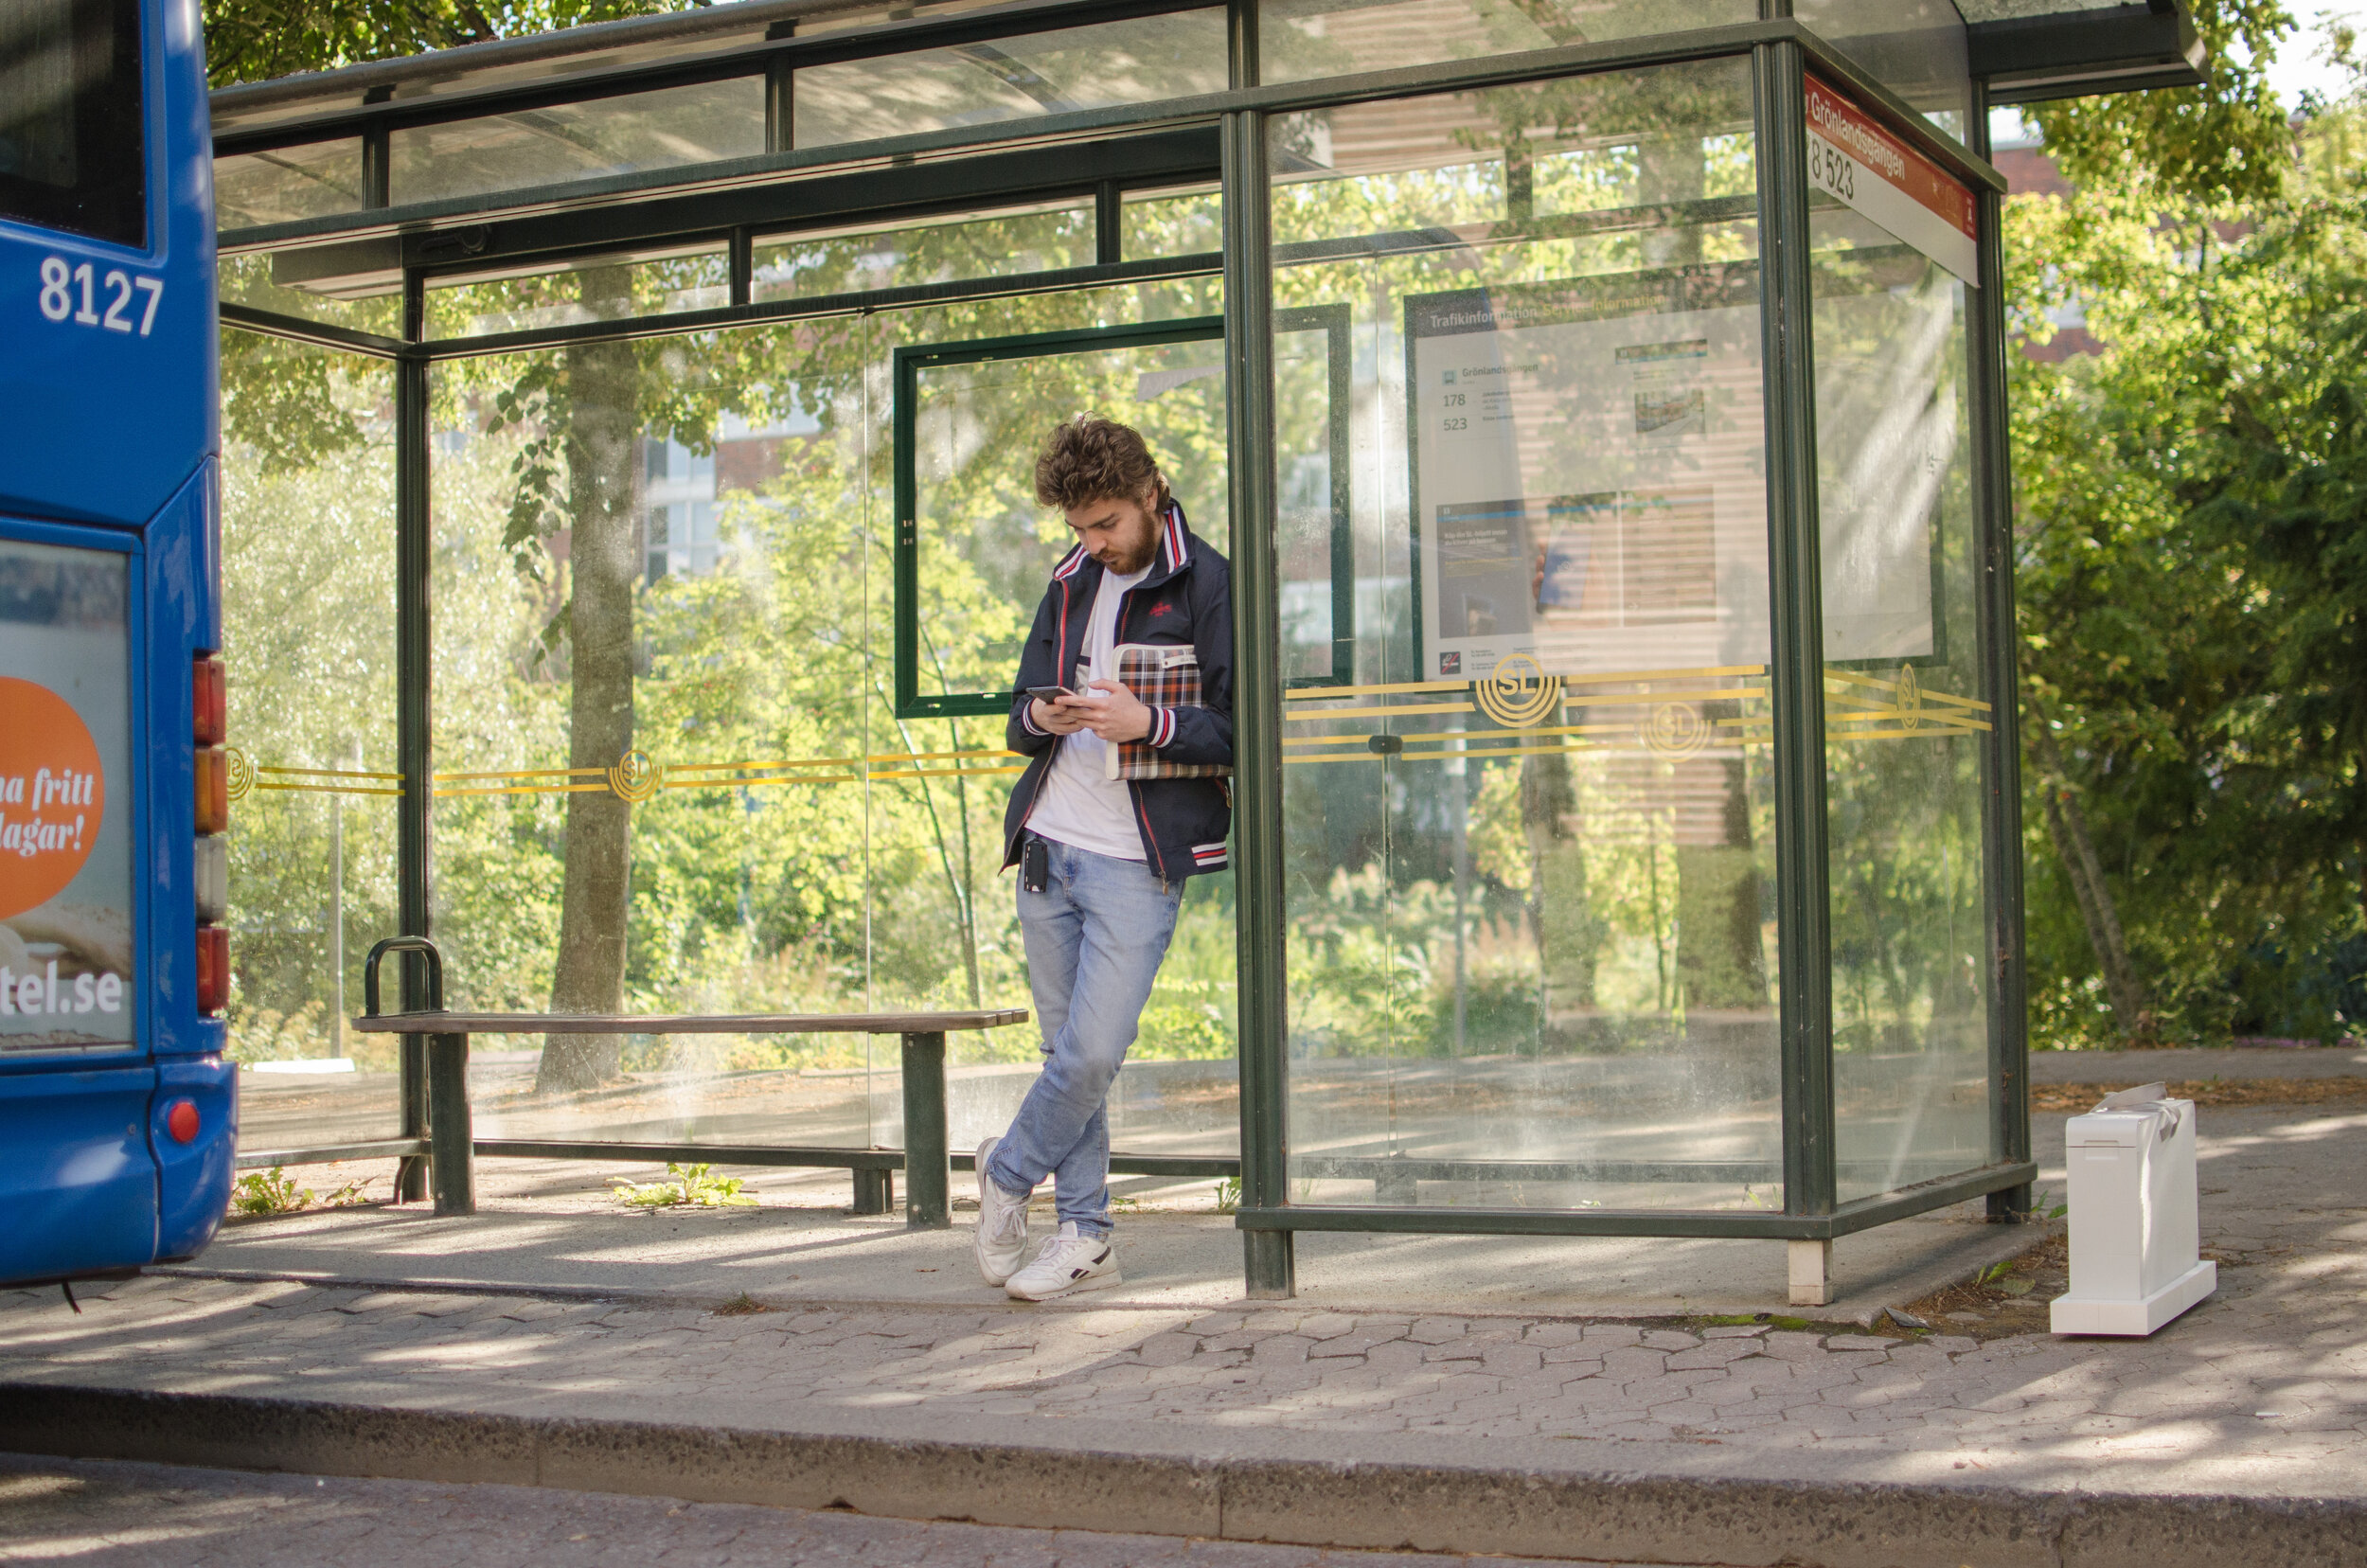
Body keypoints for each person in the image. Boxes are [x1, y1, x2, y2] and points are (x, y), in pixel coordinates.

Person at [974, 415, 1233, 1302]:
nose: (1091, 544)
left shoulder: (1211, 585)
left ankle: (1005, 1174)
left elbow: (1241, 732)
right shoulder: (1072, 577)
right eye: (1079, 528)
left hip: (1135, 860)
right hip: (1051, 844)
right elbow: (1018, 712)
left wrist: (1148, 724)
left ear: (1150, 494)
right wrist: (1043, 715)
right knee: (1062, 1056)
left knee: (1090, 1056)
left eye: (1106, 525)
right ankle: (1085, 1234)